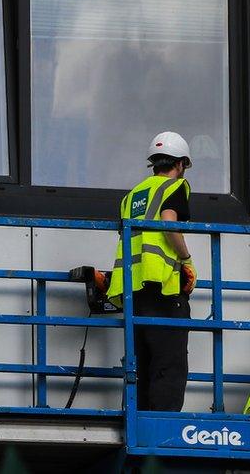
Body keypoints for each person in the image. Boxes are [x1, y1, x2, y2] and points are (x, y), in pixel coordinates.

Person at [106, 131, 198, 412]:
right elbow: (168, 222)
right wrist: (187, 259)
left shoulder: (133, 194)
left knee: (140, 362)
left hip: (133, 289)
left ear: (154, 163)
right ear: (180, 163)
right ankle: (163, 426)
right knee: (169, 363)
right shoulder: (175, 187)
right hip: (163, 287)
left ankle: (138, 420)